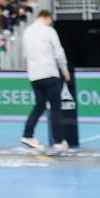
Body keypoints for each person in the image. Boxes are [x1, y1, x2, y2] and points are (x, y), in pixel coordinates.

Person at [20, 9, 69, 150]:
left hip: (34, 75)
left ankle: (27, 134)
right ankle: (59, 140)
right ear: (47, 18)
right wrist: (64, 68)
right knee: (55, 107)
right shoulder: (49, 31)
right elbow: (58, 51)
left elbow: (25, 54)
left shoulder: (27, 32)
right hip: (49, 72)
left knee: (40, 105)